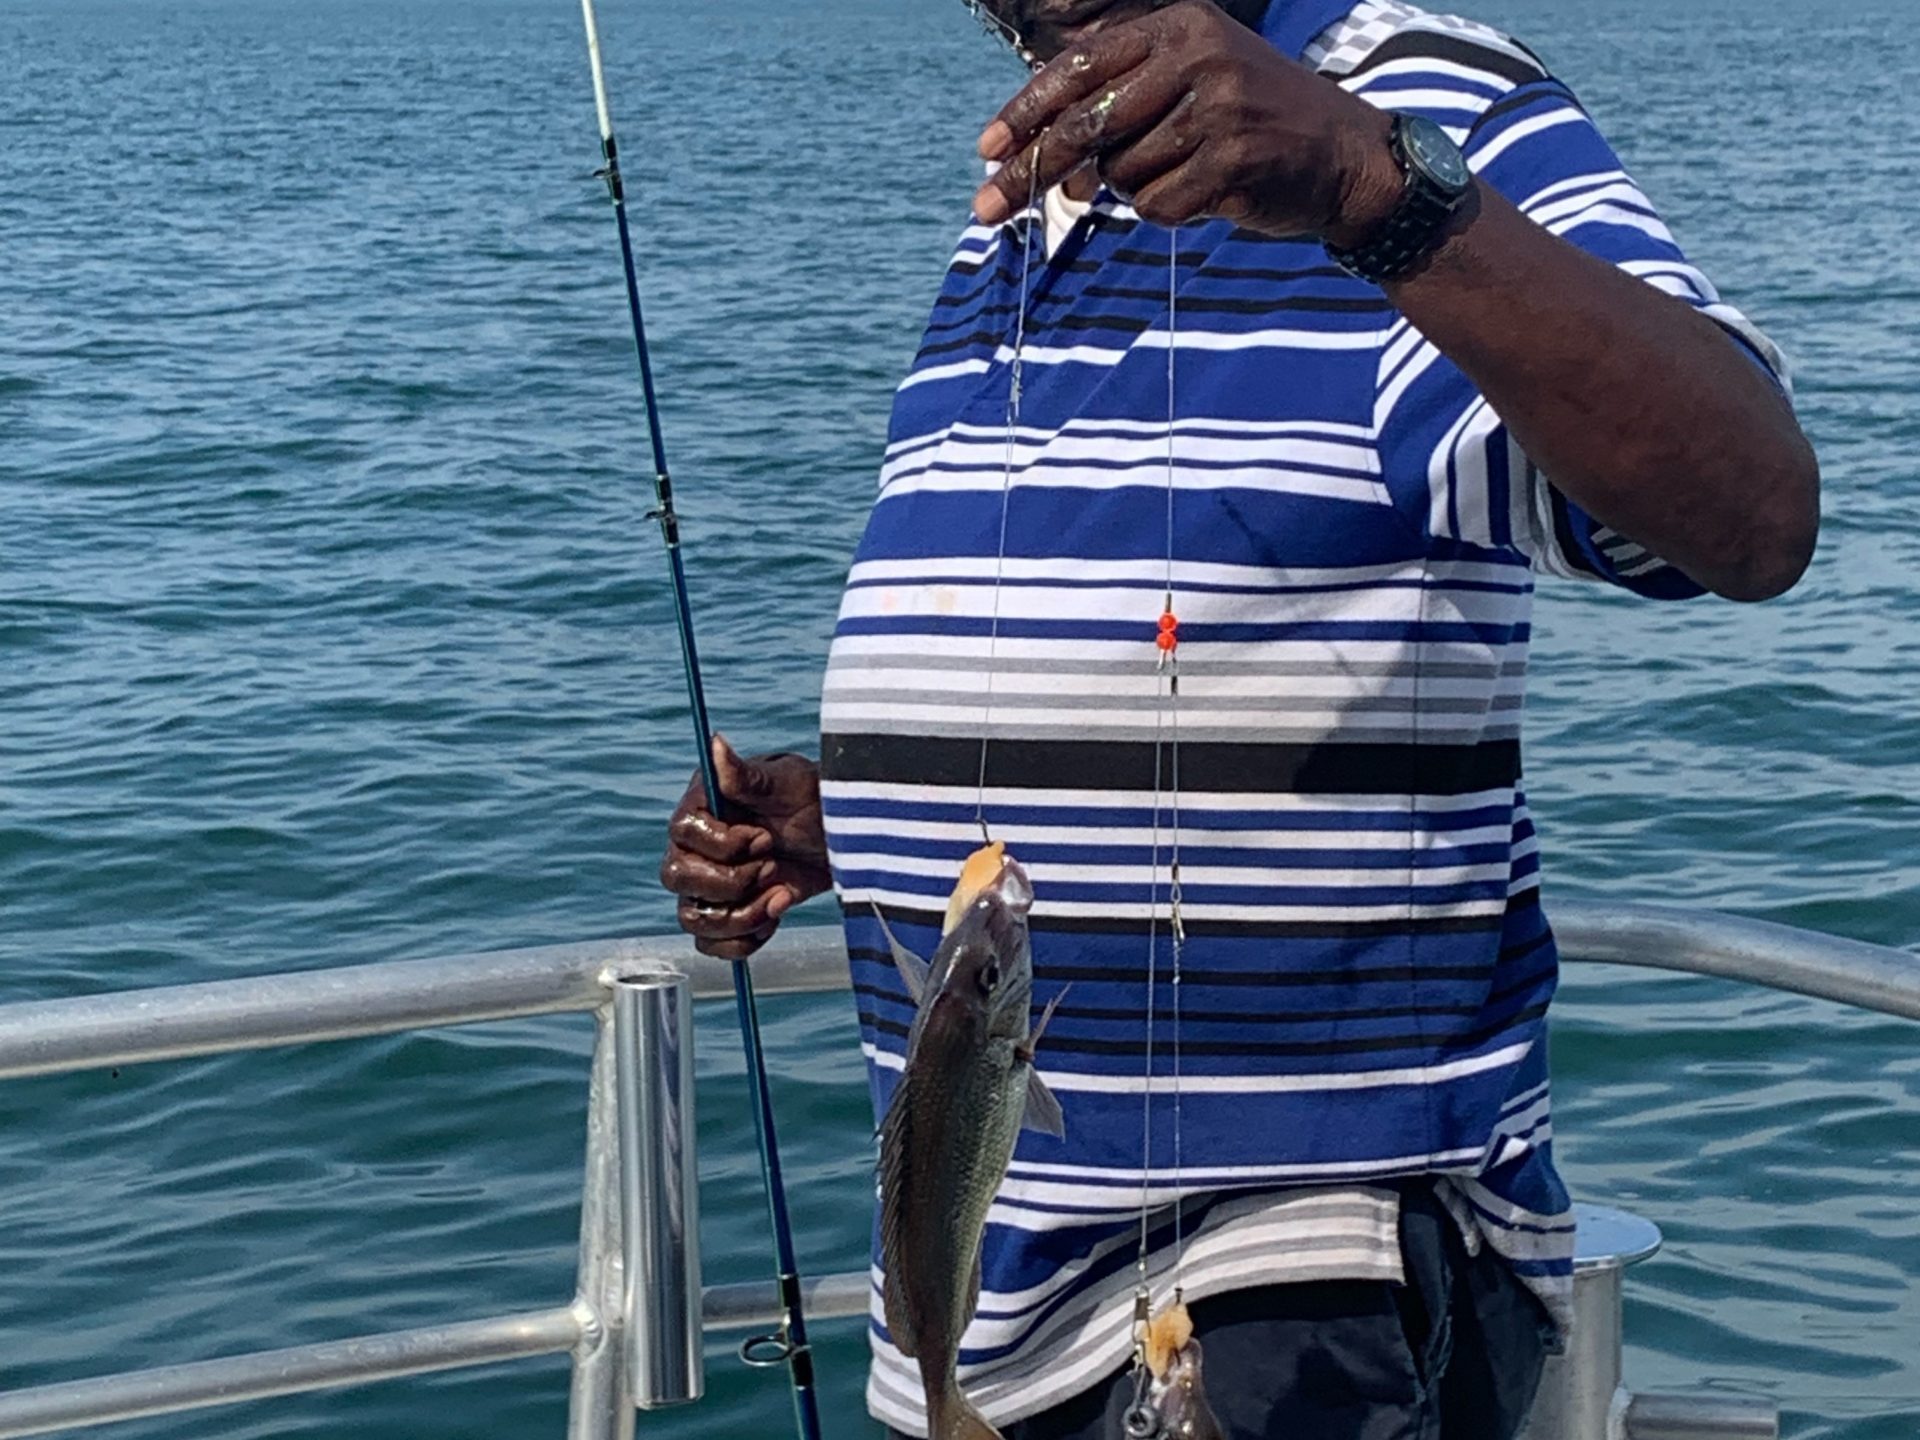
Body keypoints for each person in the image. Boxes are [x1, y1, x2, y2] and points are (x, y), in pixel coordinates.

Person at [659, 0, 1820, 1435]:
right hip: (982, 1312)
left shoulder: (1397, 97)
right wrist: (874, 814)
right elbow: (1173, 622)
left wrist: (1372, 187)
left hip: (1288, 1301)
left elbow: (1752, 513)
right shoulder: (1024, 208)